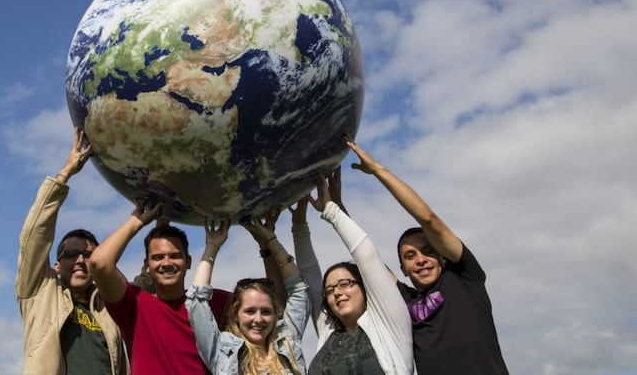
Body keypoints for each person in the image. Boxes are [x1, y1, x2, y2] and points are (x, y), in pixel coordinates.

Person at [344, 138, 509, 374]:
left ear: (442, 256)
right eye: (410, 256)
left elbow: (428, 218)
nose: (420, 259)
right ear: (403, 268)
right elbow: (367, 257)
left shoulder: (464, 276)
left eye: (428, 251)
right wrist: (336, 208)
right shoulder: (405, 300)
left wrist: (378, 171)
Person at [15, 128, 127, 375]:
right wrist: (64, 174)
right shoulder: (39, 294)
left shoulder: (108, 309)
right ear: (56, 265)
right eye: (71, 255)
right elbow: (34, 239)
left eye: (88, 255)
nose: (79, 260)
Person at [293, 169, 413, 375]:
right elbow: (309, 275)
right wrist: (299, 225)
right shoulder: (327, 330)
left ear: (365, 288)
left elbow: (366, 254)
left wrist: (331, 210)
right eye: (330, 290)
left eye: (345, 284)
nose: (337, 292)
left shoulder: (388, 321)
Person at [88, 206, 232, 375]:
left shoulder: (211, 302)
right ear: (147, 265)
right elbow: (99, 263)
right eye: (157, 257)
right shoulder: (134, 305)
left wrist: (266, 243)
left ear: (189, 261)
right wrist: (137, 221)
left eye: (175, 256)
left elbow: (269, 301)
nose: (166, 263)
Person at [186, 214, 309, 375]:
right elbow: (196, 303)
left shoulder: (287, 340)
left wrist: (270, 239)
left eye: (266, 311)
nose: (258, 320)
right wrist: (212, 246)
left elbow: (299, 290)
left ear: (275, 314)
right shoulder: (222, 351)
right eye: (250, 311)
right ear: (236, 314)